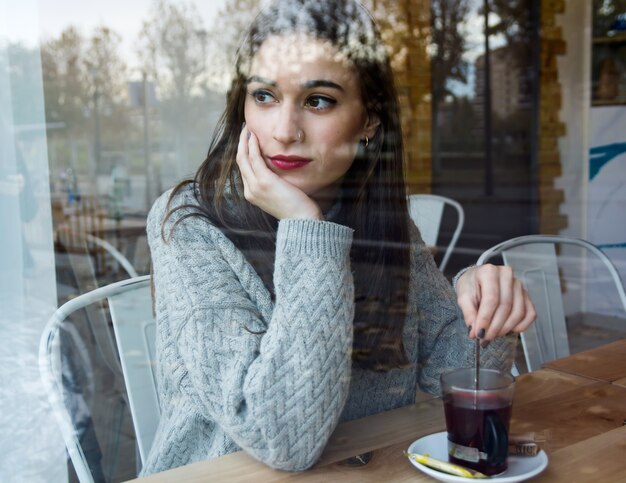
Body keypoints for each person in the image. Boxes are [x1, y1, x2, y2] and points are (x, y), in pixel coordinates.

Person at [142, 0, 535, 476]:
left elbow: (444, 373)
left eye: (318, 101)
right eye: (264, 96)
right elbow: (281, 438)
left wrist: (485, 304)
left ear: (369, 121)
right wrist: (307, 229)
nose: (284, 131)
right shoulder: (189, 222)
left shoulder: (379, 220)